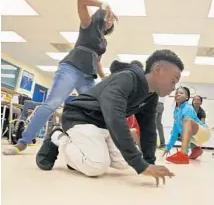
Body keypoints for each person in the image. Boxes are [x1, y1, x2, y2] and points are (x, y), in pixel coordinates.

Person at [35, 49, 183, 186]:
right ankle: (57, 137)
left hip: (103, 125)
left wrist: (149, 162)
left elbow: (148, 129)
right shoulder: (126, 78)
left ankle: (79, 157)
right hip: (81, 117)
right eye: (173, 81)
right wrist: (140, 164)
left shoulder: (151, 97)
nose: (174, 88)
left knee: (125, 163)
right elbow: (115, 117)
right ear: (158, 69)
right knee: (97, 166)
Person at [3, 0, 117, 155]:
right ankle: (22, 143)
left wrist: (104, 77)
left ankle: (94, 145)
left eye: (111, 20)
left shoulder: (103, 42)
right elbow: (80, 0)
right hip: (70, 68)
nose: (109, 20)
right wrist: (104, 4)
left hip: (88, 77)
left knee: (96, 109)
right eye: (107, 17)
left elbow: (97, 61)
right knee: (52, 104)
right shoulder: (88, 25)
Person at [163, 87, 210, 164]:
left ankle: (183, 154)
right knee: (175, 132)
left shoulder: (188, 108)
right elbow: (175, 131)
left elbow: (188, 130)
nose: (178, 94)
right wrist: (168, 147)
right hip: (195, 137)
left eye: (181, 93)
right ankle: (195, 150)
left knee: (187, 121)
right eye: (176, 93)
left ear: (187, 97)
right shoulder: (176, 112)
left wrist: (185, 152)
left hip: (204, 132)